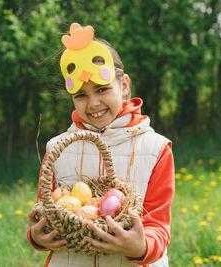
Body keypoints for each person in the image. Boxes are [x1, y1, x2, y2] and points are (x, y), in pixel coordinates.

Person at [27, 22, 175, 267]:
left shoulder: (156, 148)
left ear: (124, 86)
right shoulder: (57, 148)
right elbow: (46, 210)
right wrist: (37, 236)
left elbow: (158, 225)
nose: (93, 103)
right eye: (81, 95)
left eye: (102, 89)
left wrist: (141, 247)